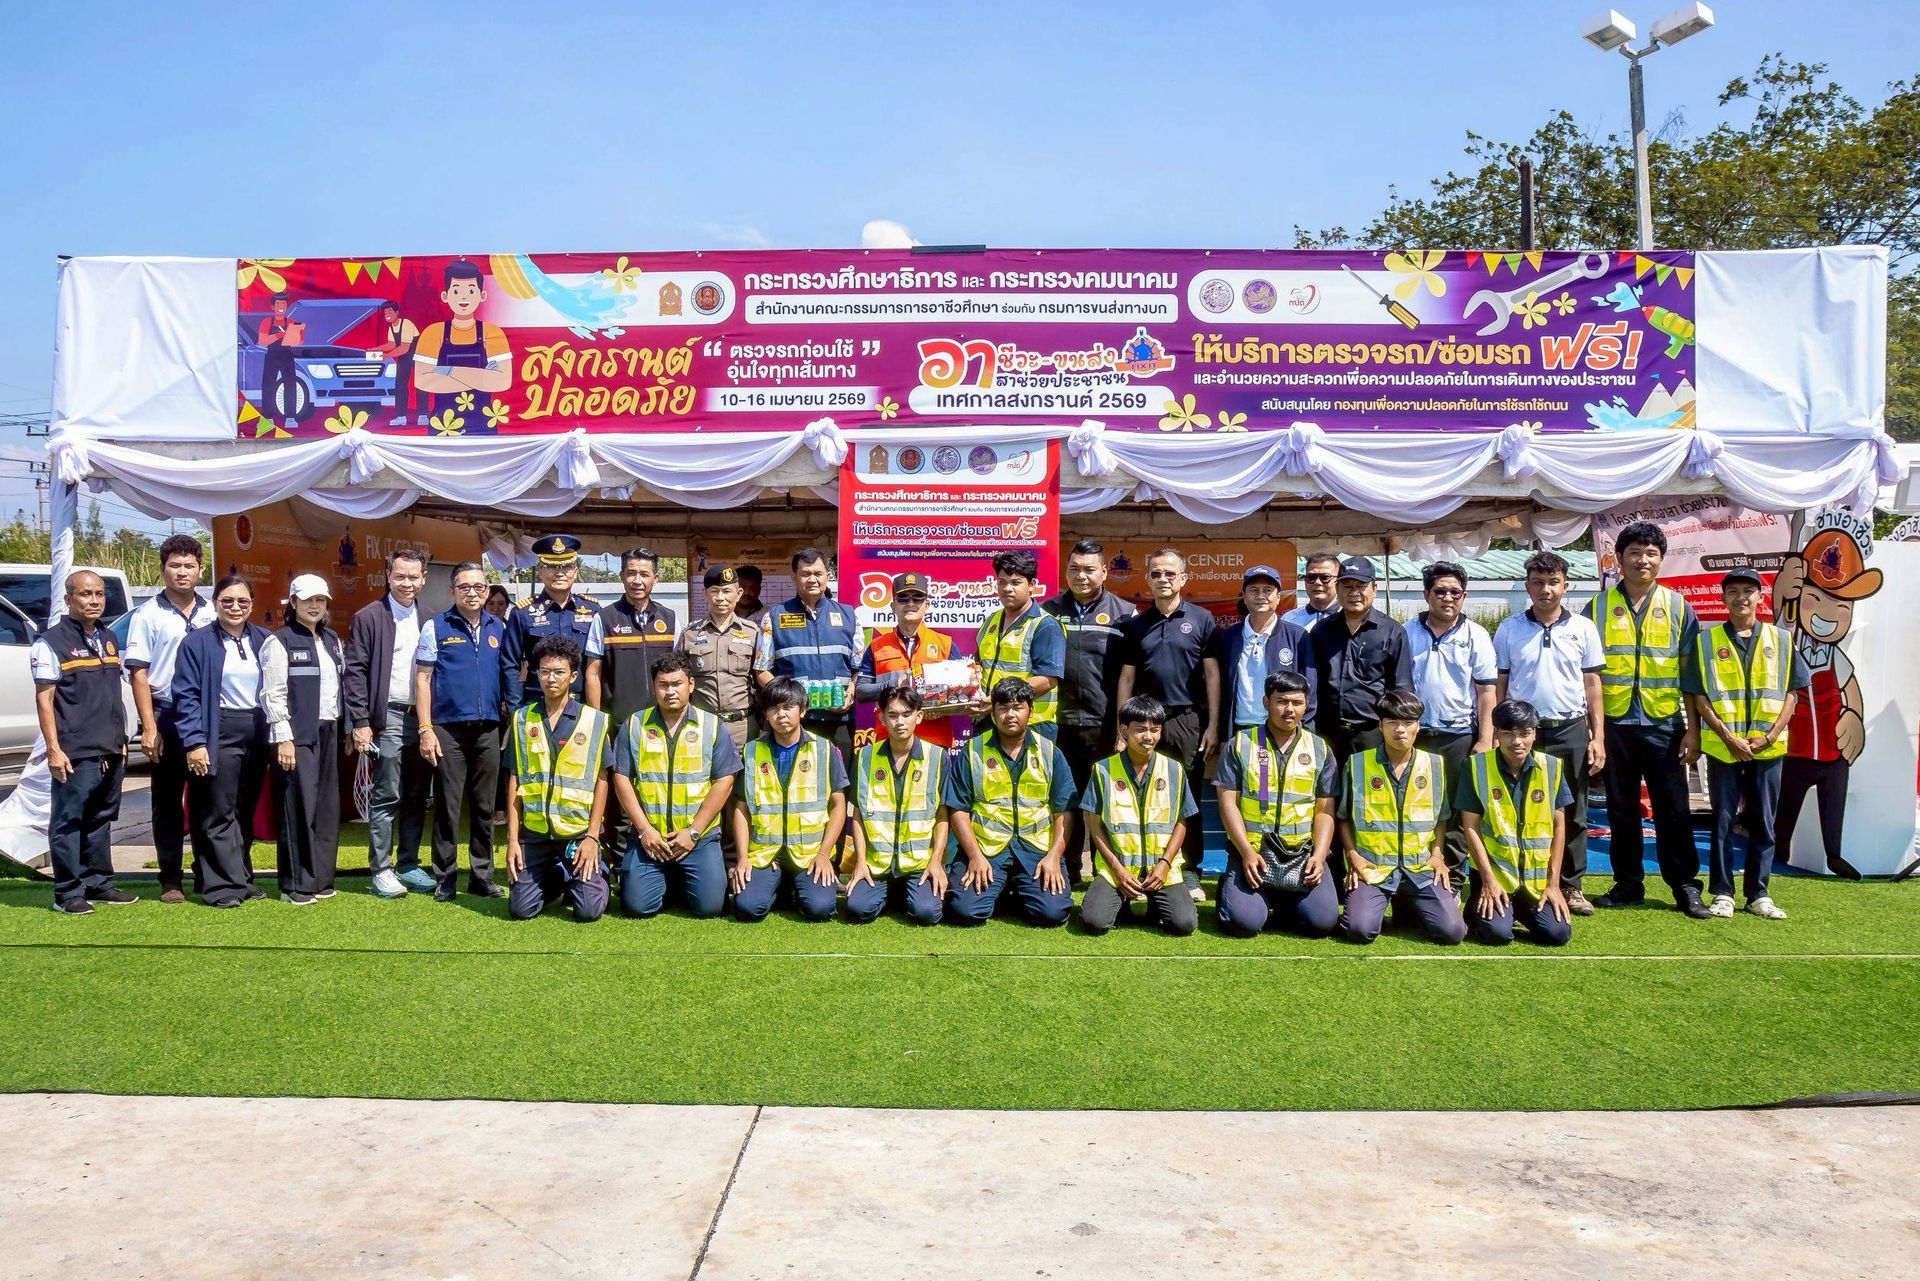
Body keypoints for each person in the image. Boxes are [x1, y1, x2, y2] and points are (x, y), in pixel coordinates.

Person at [1586, 522, 1706, 915]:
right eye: (1635, 552)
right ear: (1619, 559)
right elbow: (1587, 676)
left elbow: (1690, 675)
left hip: (1663, 724)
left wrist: (1693, 730)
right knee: (1621, 809)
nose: (1643, 560)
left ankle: (1685, 886)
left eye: (1651, 553)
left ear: (1661, 559)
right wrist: (1594, 732)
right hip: (1615, 724)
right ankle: (1627, 884)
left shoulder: (1678, 606)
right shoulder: (1597, 607)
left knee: (1673, 808)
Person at [1685, 567, 1807, 921]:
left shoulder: (1781, 639)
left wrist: (1769, 736)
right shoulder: (1706, 641)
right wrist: (1728, 737)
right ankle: (1722, 892)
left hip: (1768, 748)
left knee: (1763, 822)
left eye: (1748, 591)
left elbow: (1792, 693)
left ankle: (1758, 894)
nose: (1741, 597)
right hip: (1724, 748)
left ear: (1759, 597)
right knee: (1722, 821)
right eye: (1733, 591)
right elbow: (1698, 695)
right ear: (1723, 598)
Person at [1493, 551, 1606, 916]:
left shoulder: (1583, 628)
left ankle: (1570, 885)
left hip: (1569, 730)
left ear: (1565, 585)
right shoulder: (1509, 628)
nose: (1546, 590)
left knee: (1572, 811)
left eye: (1553, 582)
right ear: (1527, 587)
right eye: (1538, 583)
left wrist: (1597, 737)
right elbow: (1500, 682)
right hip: (1521, 733)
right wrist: (1497, 732)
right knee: (1516, 808)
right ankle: (1516, 882)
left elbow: (1592, 684)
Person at [1114, 548, 1218, 896]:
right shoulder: (1135, 625)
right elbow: (1126, 679)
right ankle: (1143, 865)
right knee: (1145, 794)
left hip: (1187, 721)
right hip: (1144, 723)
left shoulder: (1202, 619)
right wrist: (1121, 728)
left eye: (1170, 573)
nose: (1163, 579)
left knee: (1187, 796)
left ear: (1183, 578)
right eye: (1156, 573)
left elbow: (1212, 676)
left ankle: (1189, 870)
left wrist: (1213, 725)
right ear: (1148, 579)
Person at [33, 571, 134, 914]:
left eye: (99, 594)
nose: (94, 600)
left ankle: (98, 883)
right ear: (68, 599)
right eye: (85, 594)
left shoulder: (108, 636)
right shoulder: (51, 642)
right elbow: (45, 700)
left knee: (101, 817)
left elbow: (111, 693)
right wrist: (53, 749)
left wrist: (121, 739)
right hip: (74, 749)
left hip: (110, 745)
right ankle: (68, 893)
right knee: (69, 820)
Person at [123, 532, 215, 904]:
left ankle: (207, 874)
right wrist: (149, 727)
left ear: (200, 570)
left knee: (208, 800)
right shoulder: (147, 614)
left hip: (207, 715)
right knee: (167, 801)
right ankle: (170, 879)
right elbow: (139, 673)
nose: (182, 572)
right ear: (163, 569)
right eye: (174, 566)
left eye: (188, 566)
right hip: (166, 712)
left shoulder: (212, 611)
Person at [611, 652, 739, 919]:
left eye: (677, 684)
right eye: (663, 685)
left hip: (697, 837)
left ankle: (678, 879)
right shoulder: (634, 725)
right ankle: (662, 878)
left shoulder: (712, 726)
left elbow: (725, 781)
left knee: (710, 908)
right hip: (650, 837)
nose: (670, 691)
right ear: (654, 687)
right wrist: (645, 830)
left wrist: (694, 832)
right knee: (637, 907)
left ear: (691, 684)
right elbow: (621, 778)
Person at [1214, 671, 1341, 939]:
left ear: (1306, 705)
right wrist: (1246, 853)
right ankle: (1233, 888)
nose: (1289, 709)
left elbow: (1324, 811)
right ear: (1266, 703)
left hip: (1301, 855)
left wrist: (1319, 856)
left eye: (1297, 702)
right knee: (1243, 923)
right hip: (1253, 854)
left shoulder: (1320, 749)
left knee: (1321, 923)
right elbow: (1227, 804)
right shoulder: (1240, 745)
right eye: (1282, 701)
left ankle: (1282, 899)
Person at [1336, 690, 1466, 945]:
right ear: (1380, 726)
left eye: (1407, 722)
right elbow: (1343, 817)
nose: (1400, 730)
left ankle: (1406, 903)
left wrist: (1437, 855)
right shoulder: (1357, 764)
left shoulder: (1435, 765)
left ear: (1418, 725)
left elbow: (1441, 818)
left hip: (1420, 868)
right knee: (1359, 930)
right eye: (1392, 722)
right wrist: (1353, 855)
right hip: (1373, 868)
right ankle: (1387, 902)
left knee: (1452, 932)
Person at [173, 575, 272, 909]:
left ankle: (240, 877)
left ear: (252, 604)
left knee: (244, 809)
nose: (235, 607)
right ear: (215, 603)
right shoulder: (196, 642)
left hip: (257, 731)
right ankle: (220, 886)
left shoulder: (264, 639)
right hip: (219, 730)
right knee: (218, 809)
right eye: (227, 600)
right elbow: (186, 695)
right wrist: (194, 741)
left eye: (242, 601)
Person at [415, 562, 512, 901]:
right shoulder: (436, 626)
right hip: (448, 729)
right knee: (448, 805)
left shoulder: (499, 627)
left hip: (488, 728)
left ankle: (481, 876)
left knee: (484, 807)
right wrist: (425, 728)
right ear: (452, 591)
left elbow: (508, 674)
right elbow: (423, 679)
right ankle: (445, 877)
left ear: (487, 591)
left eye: (479, 587)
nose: (472, 593)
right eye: (464, 587)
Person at [944, 678, 1075, 927]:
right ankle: (1003, 888)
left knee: (1051, 914)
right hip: (986, 848)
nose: (1010, 715)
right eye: (1003, 708)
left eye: (1018, 707)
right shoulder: (972, 750)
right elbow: (958, 810)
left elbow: (1064, 811)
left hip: (1036, 849)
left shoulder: (1050, 752)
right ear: (992, 712)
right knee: (964, 911)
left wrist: (1054, 856)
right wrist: (974, 856)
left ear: (1030, 711)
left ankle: (1013, 890)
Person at [343, 547, 435, 897]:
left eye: (413, 577)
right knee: (387, 794)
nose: (406, 583)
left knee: (417, 794)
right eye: (400, 576)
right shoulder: (368, 617)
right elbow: (355, 672)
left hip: (421, 717)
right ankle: (381, 869)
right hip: (388, 716)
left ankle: (408, 865)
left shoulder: (430, 618)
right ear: (387, 576)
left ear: (423, 579)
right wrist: (360, 721)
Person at [1042, 540, 1135, 880]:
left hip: (1105, 725)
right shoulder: (1047, 611)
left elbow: (1131, 675)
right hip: (1058, 723)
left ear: (1104, 572)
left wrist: (1123, 726)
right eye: (1074, 569)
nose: (1081, 576)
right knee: (1064, 798)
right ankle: (1067, 869)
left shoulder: (1125, 613)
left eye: (1089, 569)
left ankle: (1104, 873)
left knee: (1104, 800)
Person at [504, 637, 611, 923]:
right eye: (545, 671)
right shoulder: (521, 719)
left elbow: (602, 780)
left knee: (587, 912)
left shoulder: (595, 720)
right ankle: (563, 874)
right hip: (535, 835)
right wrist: (512, 840)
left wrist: (592, 836)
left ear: (573, 676)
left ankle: (600, 872)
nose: (551, 679)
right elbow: (514, 779)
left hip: (577, 833)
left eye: (559, 672)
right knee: (521, 910)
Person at [1404, 560, 1497, 888]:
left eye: (1455, 593)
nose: (1447, 598)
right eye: (1440, 591)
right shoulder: (1406, 632)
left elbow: (1486, 692)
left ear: (1464, 596)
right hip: (1416, 737)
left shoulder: (1477, 635)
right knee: (1417, 807)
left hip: (1458, 736)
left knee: (1458, 813)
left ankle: (1453, 882)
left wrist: (1484, 739)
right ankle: (1414, 878)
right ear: (1426, 594)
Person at [728, 676, 848, 922]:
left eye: (788, 707)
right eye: (773, 708)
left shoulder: (824, 749)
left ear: (802, 710)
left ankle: (793, 886)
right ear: (766, 714)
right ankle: (780, 886)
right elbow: (741, 808)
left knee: (820, 909)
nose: (780, 714)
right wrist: (742, 859)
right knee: (746, 908)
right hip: (766, 853)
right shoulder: (752, 751)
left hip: (809, 854)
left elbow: (838, 806)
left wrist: (824, 854)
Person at [1456, 700, 1575, 947]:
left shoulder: (1551, 767)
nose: (1517, 741)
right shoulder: (1475, 766)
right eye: (1508, 733)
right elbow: (1470, 827)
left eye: (1524, 733)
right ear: (1496, 733)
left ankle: (1518, 910)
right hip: (1496, 877)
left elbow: (1559, 826)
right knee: (1496, 935)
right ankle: (1481, 907)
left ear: (1534, 733)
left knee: (1557, 935)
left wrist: (1554, 884)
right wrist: (1488, 880)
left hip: (1535, 883)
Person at [1077, 696, 1199, 937]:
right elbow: (1095, 826)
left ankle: (1155, 902)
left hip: (1161, 868)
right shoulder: (1102, 770)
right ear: (1124, 731)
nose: (1148, 737)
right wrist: (1117, 869)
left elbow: (1181, 821)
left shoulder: (1174, 769)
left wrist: (1164, 864)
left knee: (1184, 924)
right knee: (1094, 922)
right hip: (1118, 869)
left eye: (1155, 730)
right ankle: (1119, 900)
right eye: (1140, 730)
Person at [259, 574, 345, 905]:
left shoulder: (332, 639)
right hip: (296, 734)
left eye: (320, 600)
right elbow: (272, 694)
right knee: (297, 807)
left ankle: (321, 879)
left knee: (325, 807)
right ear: (293, 602)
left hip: (329, 729)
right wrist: (283, 738)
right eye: (308, 600)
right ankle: (295, 885)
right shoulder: (279, 641)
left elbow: (338, 687)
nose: (314, 606)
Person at [845, 686, 949, 925]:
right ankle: (891, 892)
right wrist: (860, 862)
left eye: (906, 714)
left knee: (926, 914)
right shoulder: (865, 757)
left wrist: (936, 861)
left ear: (919, 716)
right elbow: (858, 814)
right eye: (892, 715)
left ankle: (906, 893)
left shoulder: (937, 757)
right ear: (882, 718)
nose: (899, 722)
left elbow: (943, 815)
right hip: (877, 863)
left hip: (918, 863)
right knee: (857, 910)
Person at [754, 547, 858, 768]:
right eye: (805, 574)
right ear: (794, 578)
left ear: (827, 576)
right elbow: (761, 670)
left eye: (818, 573)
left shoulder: (849, 615)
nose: (812, 579)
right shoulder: (774, 617)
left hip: (839, 721)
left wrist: (851, 691)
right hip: (795, 724)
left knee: (838, 782)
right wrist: (789, 700)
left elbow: (859, 668)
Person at [1310, 556, 1413, 762]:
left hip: (1371, 733)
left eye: (1361, 586)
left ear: (1374, 589)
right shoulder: (1321, 631)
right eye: (1347, 586)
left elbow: (1401, 688)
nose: (1354, 593)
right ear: (1337, 589)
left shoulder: (1392, 632)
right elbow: (1312, 682)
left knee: (1369, 783)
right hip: (1327, 732)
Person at [969, 550, 1068, 744]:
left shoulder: (1045, 625)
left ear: (1031, 585)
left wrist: (997, 700)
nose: (1007, 588)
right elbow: (979, 666)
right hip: (989, 720)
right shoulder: (991, 620)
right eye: (1002, 582)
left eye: (1015, 582)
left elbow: (1047, 680)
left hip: (1032, 724)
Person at [854, 572, 960, 747]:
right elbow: (861, 692)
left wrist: (941, 708)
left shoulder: (945, 644)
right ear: (893, 606)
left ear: (927, 605)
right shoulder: (876, 646)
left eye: (917, 598)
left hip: (934, 740)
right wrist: (895, 684)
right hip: (889, 741)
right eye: (903, 598)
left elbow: (961, 691)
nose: (910, 603)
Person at [411, 258, 512, 434]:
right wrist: (483, 378)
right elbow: (422, 381)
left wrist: (447, 371)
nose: (463, 297)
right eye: (456, 291)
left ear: (482, 296)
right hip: (443, 425)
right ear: (445, 296)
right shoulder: (433, 333)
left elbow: (502, 382)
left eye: (471, 291)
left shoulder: (492, 333)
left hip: (483, 424)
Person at [585, 546, 677, 728]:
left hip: (663, 722)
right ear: (621, 576)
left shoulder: (670, 619)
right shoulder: (604, 618)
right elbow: (593, 673)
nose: (637, 581)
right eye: (631, 573)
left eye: (644, 574)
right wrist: (598, 724)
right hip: (617, 724)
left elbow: (679, 673)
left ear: (656, 578)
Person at [505, 534, 598, 707]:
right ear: (540, 571)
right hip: (536, 704)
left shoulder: (593, 610)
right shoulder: (522, 613)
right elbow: (509, 665)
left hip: (580, 703)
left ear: (575, 572)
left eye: (567, 566)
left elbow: (598, 664)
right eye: (551, 566)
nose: (559, 573)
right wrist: (515, 710)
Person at [677, 564, 762, 754]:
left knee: (744, 773)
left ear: (738, 594)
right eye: (714, 591)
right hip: (701, 728)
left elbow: (760, 682)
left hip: (743, 730)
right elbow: (679, 680)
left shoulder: (753, 633)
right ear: (705, 594)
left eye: (727, 591)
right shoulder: (689, 634)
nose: (720, 598)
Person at [371, 301, 421, 427]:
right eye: (385, 313)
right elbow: (392, 344)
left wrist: (386, 356)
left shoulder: (406, 324)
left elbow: (404, 347)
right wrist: (377, 349)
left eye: (390, 312)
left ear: (397, 312)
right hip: (404, 357)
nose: (387, 315)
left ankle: (423, 415)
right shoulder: (391, 327)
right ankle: (401, 417)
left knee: (420, 384)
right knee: (399, 385)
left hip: (418, 355)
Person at [257, 292, 303, 429]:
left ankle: (290, 417)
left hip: (287, 356)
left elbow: (298, 342)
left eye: (284, 304)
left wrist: (298, 335)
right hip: (272, 355)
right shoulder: (266, 322)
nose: (281, 306)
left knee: (290, 385)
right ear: (273, 307)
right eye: (278, 304)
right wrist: (278, 335)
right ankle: (268, 418)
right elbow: (262, 341)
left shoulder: (290, 322)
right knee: (268, 386)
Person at [1282, 551, 1342, 629]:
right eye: (1311, 577)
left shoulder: (1350, 618)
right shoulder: (1288, 620)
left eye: (1325, 577)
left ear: (1338, 581)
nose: (1317, 582)